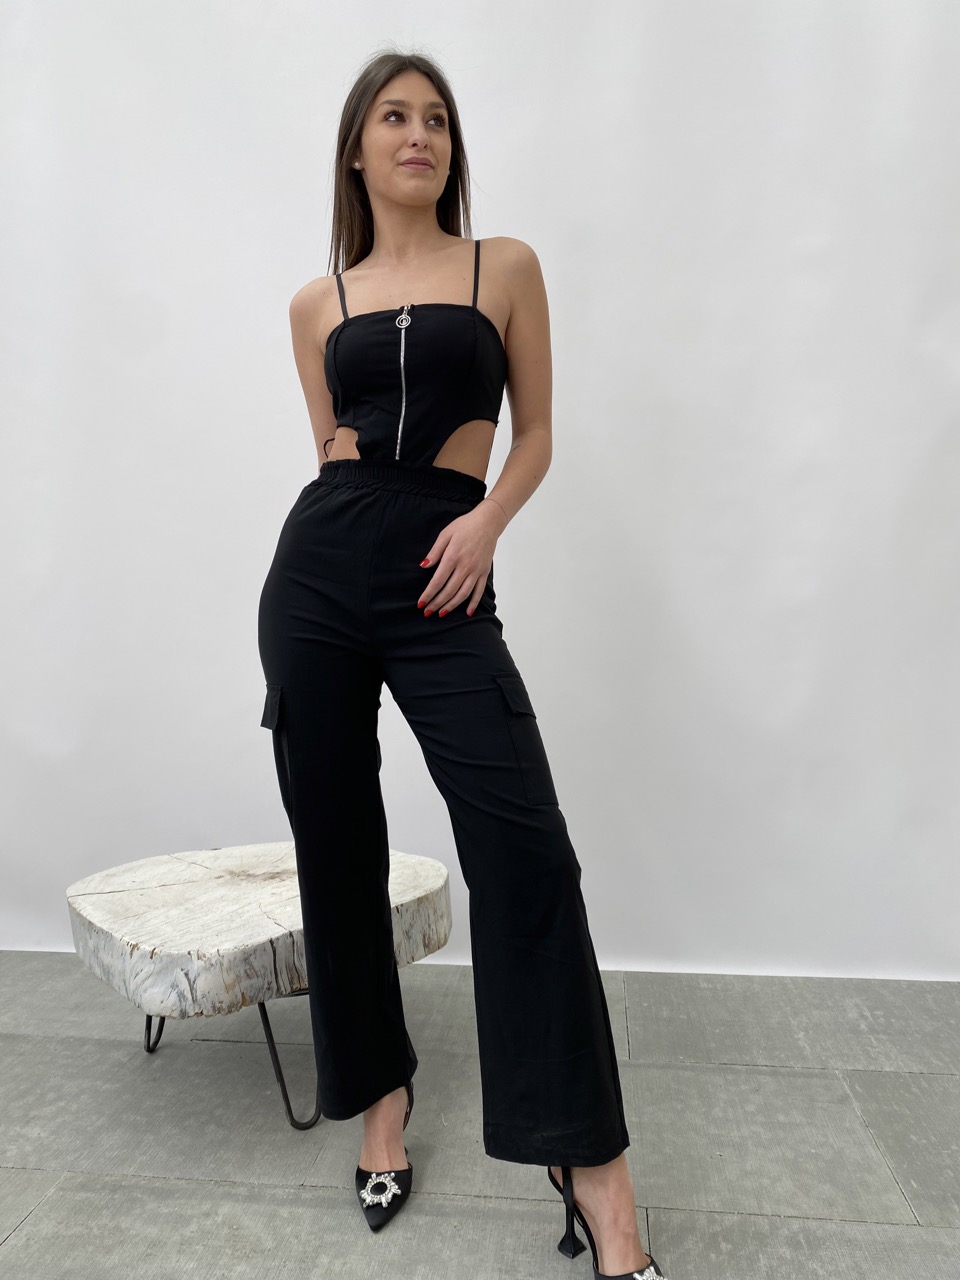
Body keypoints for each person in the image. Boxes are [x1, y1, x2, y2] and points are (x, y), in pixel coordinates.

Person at [257, 48, 671, 1280]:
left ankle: (592, 1166)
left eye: (436, 118)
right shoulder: (316, 302)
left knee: (525, 849)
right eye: (394, 116)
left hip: (447, 568)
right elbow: (333, 451)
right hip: (320, 575)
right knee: (337, 846)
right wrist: (344, 541)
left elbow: (534, 435)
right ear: (357, 149)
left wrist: (486, 522)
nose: (419, 135)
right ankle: (379, 1097)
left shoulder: (505, 267)